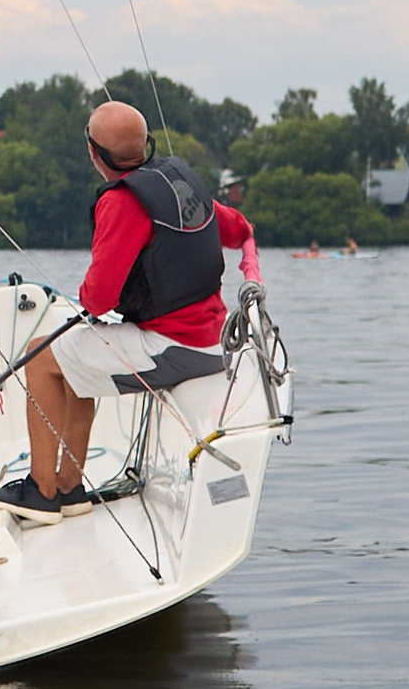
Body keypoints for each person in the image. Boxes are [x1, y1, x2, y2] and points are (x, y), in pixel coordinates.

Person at [13, 100, 259, 514]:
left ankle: (41, 492)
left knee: (39, 358)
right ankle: (69, 489)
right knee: (69, 363)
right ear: (147, 144)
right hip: (215, 341)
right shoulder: (181, 184)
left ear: (94, 153)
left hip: (172, 347)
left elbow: (99, 299)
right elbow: (239, 230)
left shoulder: (122, 203)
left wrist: (91, 291)